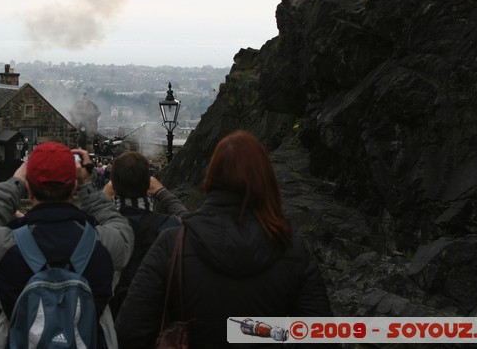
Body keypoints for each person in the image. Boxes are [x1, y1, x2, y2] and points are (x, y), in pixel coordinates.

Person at [115, 130, 331, 348]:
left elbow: (130, 331)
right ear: (266, 178)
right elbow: (319, 337)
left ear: (211, 176)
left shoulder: (174, 243)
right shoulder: (292, 250)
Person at [0, 141, 134, 349]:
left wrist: (17, 181)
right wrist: (85, 185)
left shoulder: (3, 247)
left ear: (29, 188)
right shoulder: (104, 246)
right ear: (73, 186)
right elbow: (121, 227)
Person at [103, 151, 187, 318]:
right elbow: (190, 224)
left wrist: (102, 197)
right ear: (148, 182)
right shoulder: (169, 226)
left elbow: (81, 228)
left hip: (112, 319)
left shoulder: (103, 229)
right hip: (157, 318)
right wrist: (163, 193)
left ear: (114, 186)